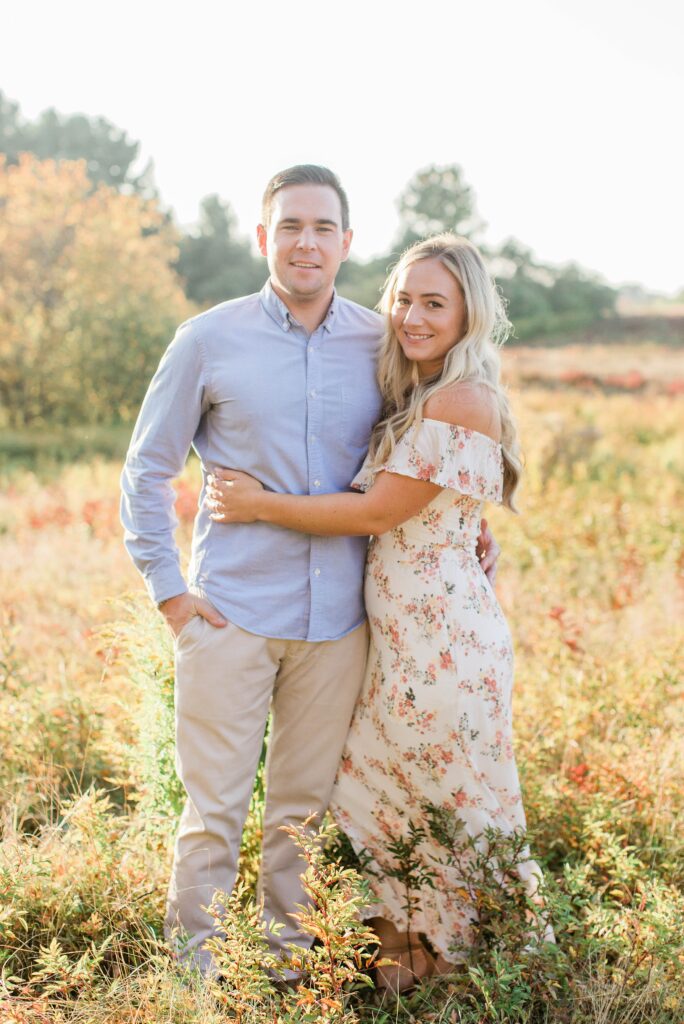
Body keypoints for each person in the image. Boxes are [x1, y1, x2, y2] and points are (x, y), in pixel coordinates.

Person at [120, 165, 499, 976]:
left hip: (340, 627)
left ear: (347, 243)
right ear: (264, 238)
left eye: (323, 227)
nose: (306, 242)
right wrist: (172, 597)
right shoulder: (207, 340)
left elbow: (435, 435)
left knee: (303, 814)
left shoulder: (382, 339)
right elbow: (145, 471)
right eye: (290, 225)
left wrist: (464, 529)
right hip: (230, 615)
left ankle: (290, 966)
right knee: (214, 811)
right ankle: (201, 973)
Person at [206, 233, 549, 990]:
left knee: (449, 803)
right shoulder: (415, 393)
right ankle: (409, 965)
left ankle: (491, 969)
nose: (413, 316)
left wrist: (259, 502)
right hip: (401, 642)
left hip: (443, 645)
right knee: (381, 792)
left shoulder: (462, 398)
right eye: (403, 298)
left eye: (435, 303)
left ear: (469, 314)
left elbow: (375, 515)